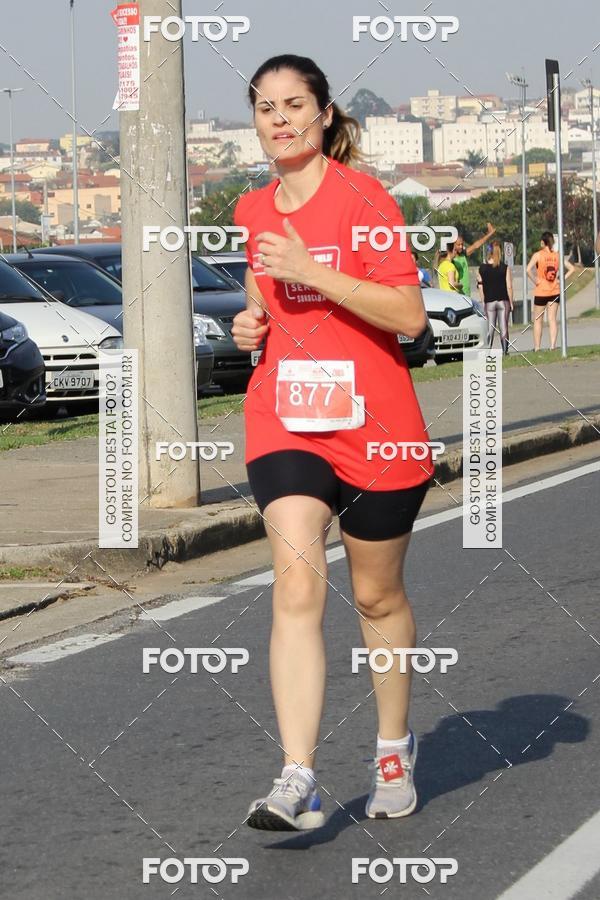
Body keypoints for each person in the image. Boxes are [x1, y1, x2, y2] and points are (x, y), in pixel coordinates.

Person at [231, 54, 434, 831]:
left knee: (376, 595)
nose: (279, 119)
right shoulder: (253, 210)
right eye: (265, 108)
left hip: (376, 427)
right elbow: (262, 306)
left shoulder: (364, 199)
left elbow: (410, 317)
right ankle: (298, 777)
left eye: (293, 104)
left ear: (323, 115)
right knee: (296, 584)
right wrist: (250, 324)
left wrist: (316, 268)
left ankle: (391, 748)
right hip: (286, 417)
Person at [526, 231, 576, 351]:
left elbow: (528, 270)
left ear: (543, 242)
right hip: (554, 291)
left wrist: (535, 280)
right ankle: (552, 346)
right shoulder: (557, 256)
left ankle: (537, 347)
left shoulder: (538, 255)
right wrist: (560, 279)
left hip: (541, 291)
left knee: (538, 320)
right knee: (552, 319)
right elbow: (572, 268)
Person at [477, 240, 514, 355]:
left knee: (490, 327)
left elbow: (480, 286)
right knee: (504, 326)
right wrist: (511, 302)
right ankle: (505, 350)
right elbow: (509, 286)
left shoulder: (482, 268)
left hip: (489, 302)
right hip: (503, 300)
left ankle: (488, 349)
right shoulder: (504, 267)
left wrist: (483, 301)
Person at [451, 224, 496, 296]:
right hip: (457, 295)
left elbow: (476, 245)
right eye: (458, 245)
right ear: (453, 245)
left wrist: (489, 234)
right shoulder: (450, 259)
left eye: (462, 244)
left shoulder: (463, 254)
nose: (461, 246)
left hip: (466, 293)